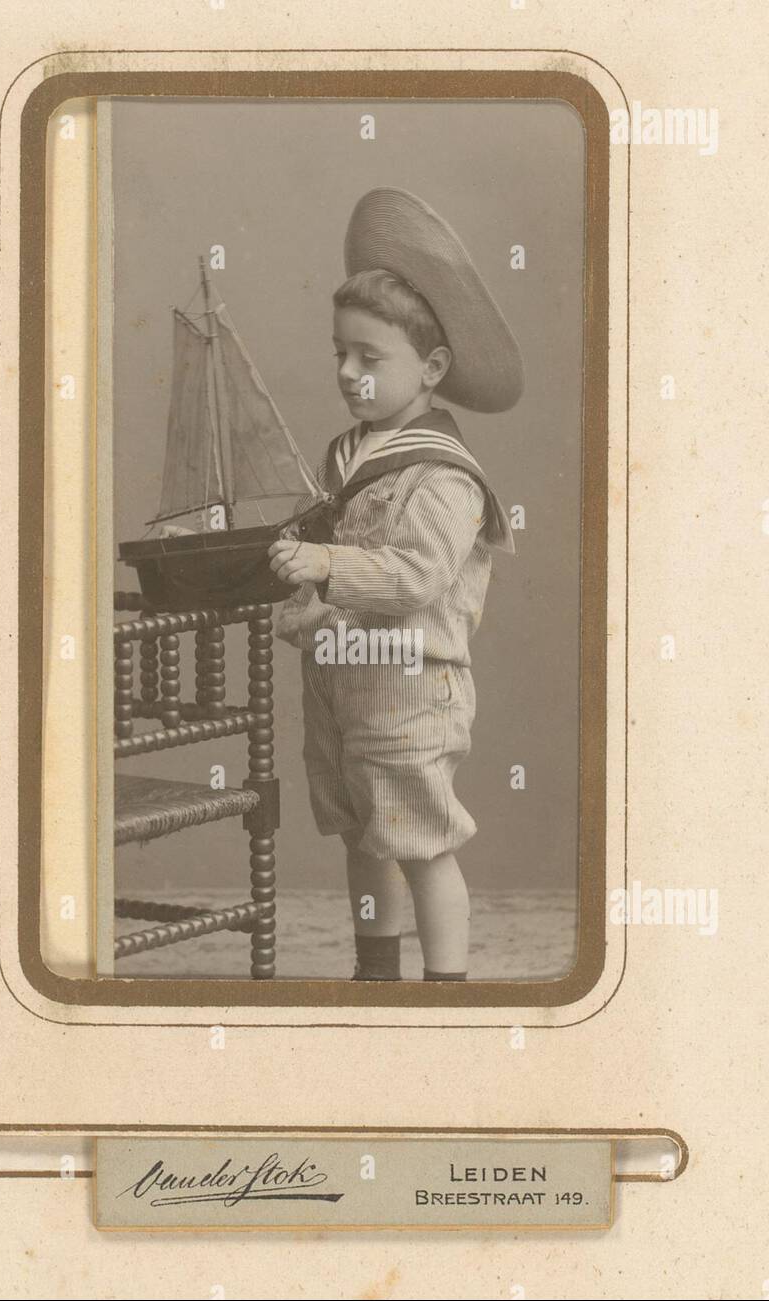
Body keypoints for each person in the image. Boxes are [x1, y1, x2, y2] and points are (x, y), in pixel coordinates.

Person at [268, 187, 523, 983]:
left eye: (369, 360)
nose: (347, 374)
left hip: (411, 686)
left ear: (432, 368)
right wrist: (298, 595)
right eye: (340, 354)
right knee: (362, 835)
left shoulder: (443, 477)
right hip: (343, 684)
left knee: (419, 840)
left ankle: (445, 990)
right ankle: (375, 975)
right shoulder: (346, 457)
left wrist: (325, 568)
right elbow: (321, 551)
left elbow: (415, 576)